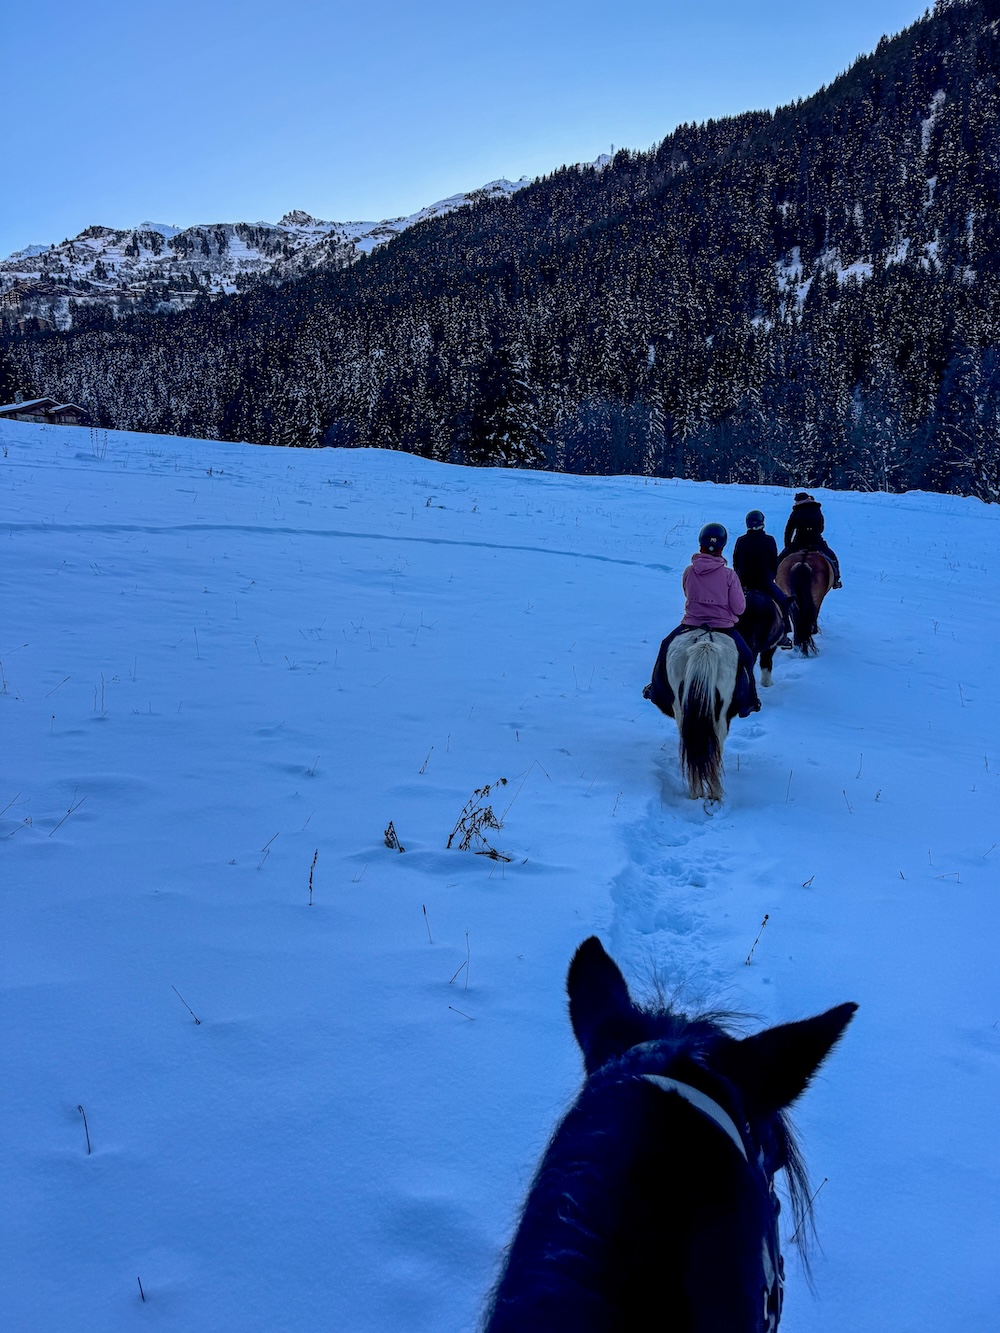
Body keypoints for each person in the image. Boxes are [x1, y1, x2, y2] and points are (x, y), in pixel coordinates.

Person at [643, 522, 761, 718]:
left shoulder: (689, 571)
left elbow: (686, 592)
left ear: (700, 545)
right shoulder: (729, 575)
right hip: (724, 629)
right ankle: (749, 700)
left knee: (665, 646)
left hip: (691, 624)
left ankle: (655, 688)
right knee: (747, 657)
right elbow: (740, 608)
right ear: (723, 547)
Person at [733, 509, 793, 647]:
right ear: (762, 523)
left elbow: (736, 562)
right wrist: (771, 576)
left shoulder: (741, 541)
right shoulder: (769, 540)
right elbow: (774, 563)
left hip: (744, 582)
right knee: (783, 601)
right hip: (764, 582)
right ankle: (784, 635)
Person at [779, 492, 842, 587]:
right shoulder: (816, 509)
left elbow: (789, 530)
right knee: (832, 557)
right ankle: (836, 579)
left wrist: (788, 545)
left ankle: (775, 576)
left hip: (799, 541)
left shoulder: (796, 511)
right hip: (815, 539)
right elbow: (821, 527)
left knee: (780, 559)